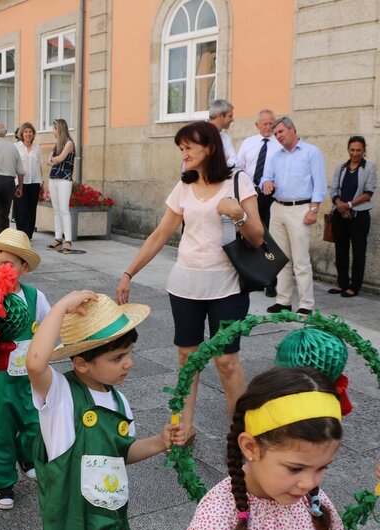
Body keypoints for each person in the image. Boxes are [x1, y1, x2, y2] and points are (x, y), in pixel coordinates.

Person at [16, 291, 172, 530]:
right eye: (117, 358)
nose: (128, 364)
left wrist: (160, 442)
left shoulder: (119, 400)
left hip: (112, 514)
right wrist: (60, 307)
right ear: (82, 363)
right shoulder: (59, 395)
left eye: (129, 354)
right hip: (72, 520)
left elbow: (123, 452)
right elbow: (35, 364)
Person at [117, 121, 263, 446]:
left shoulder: (238, 181)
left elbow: (257, 237)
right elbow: (160, 234)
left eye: (188, 148)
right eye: (180, 149)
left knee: (227, 361)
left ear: (209, 148)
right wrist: (129, 273)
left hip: (228, 286)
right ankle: (185, 428)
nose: (183, 154)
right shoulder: (183, 186)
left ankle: (241, 434)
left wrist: (238, 215)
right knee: (186, 356)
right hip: (185, 285)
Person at [171, 366, 345, 530]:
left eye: (322, 467)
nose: (309, 483)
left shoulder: (314, 503)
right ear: (250, 447)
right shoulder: (217, 524)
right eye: (296, 468)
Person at [0, 229, 50, 509]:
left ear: (23, 267)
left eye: (7, 264)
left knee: (34, 422)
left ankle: (26, 455)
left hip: (30, 378)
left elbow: (48, 328)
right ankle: (2, 480)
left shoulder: (35, 297)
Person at [261, 116, 327, 316]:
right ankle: (283, 301)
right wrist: (266, 183)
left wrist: (313, 210)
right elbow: (266, 177)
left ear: (293, 129)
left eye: (281, 132)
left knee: (301, 260)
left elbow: (320, 184)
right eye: (276, 134)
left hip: (301, 209)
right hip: (278, 208)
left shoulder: (311, 152)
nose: (278, 136)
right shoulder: (276, 156)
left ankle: (306, 304)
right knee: (281, 259)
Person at [236, 109, 282, 297]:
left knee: (269, 238)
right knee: (247, 235)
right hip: (249, 194)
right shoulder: (248, 143)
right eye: (265, 124)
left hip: (270, 196)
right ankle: (249, 277)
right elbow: (238, 167)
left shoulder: (279, 144)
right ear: (257, 125)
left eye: (271, 123)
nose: (268, 127)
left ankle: (271, 281)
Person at [328, 135, 376, 298]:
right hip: (339, 215)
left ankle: (354, 287)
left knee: (358, 251)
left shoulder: (369, 168)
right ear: (348, 150)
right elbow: (333, 190)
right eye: (352, 150)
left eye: (358, 150)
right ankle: (342, 284)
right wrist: (340, 206)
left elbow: (368, 193)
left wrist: (348, 205)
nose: (355, 153)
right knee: (340, 251)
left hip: (359, 216)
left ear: (364, 151)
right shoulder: (341, 168)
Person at [46, 118, 75, 253]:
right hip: (53, 179)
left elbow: (59, 158)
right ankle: (58, 238)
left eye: (54, 128)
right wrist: (53, 160)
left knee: (64, 210)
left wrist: (53, 159)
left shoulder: (69, 143)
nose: (52, 131)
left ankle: (68, 240)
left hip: (64, 179)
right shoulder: (56, 145)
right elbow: (49, 161)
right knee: (56, 210)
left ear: (59, 129)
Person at [13, 121, 43, 239]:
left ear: (33, 134)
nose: (28, 134)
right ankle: (21, 235)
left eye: (30, 132)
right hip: (20, 183)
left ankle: (29, 234)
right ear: (22, 134)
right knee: (21, 209)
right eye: (26, 131)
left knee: (32, 209)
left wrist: (42, 182)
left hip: (34, 182)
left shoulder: (37, 148)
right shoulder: (16, 147)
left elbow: (39, 165)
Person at [209, 99, 237, 169]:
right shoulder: (199, 135)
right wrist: (224, 161)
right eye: (230, 116)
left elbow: (235, 163)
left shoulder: (226, 138)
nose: (232, 119)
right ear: (220, 115)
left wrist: (222, 163)